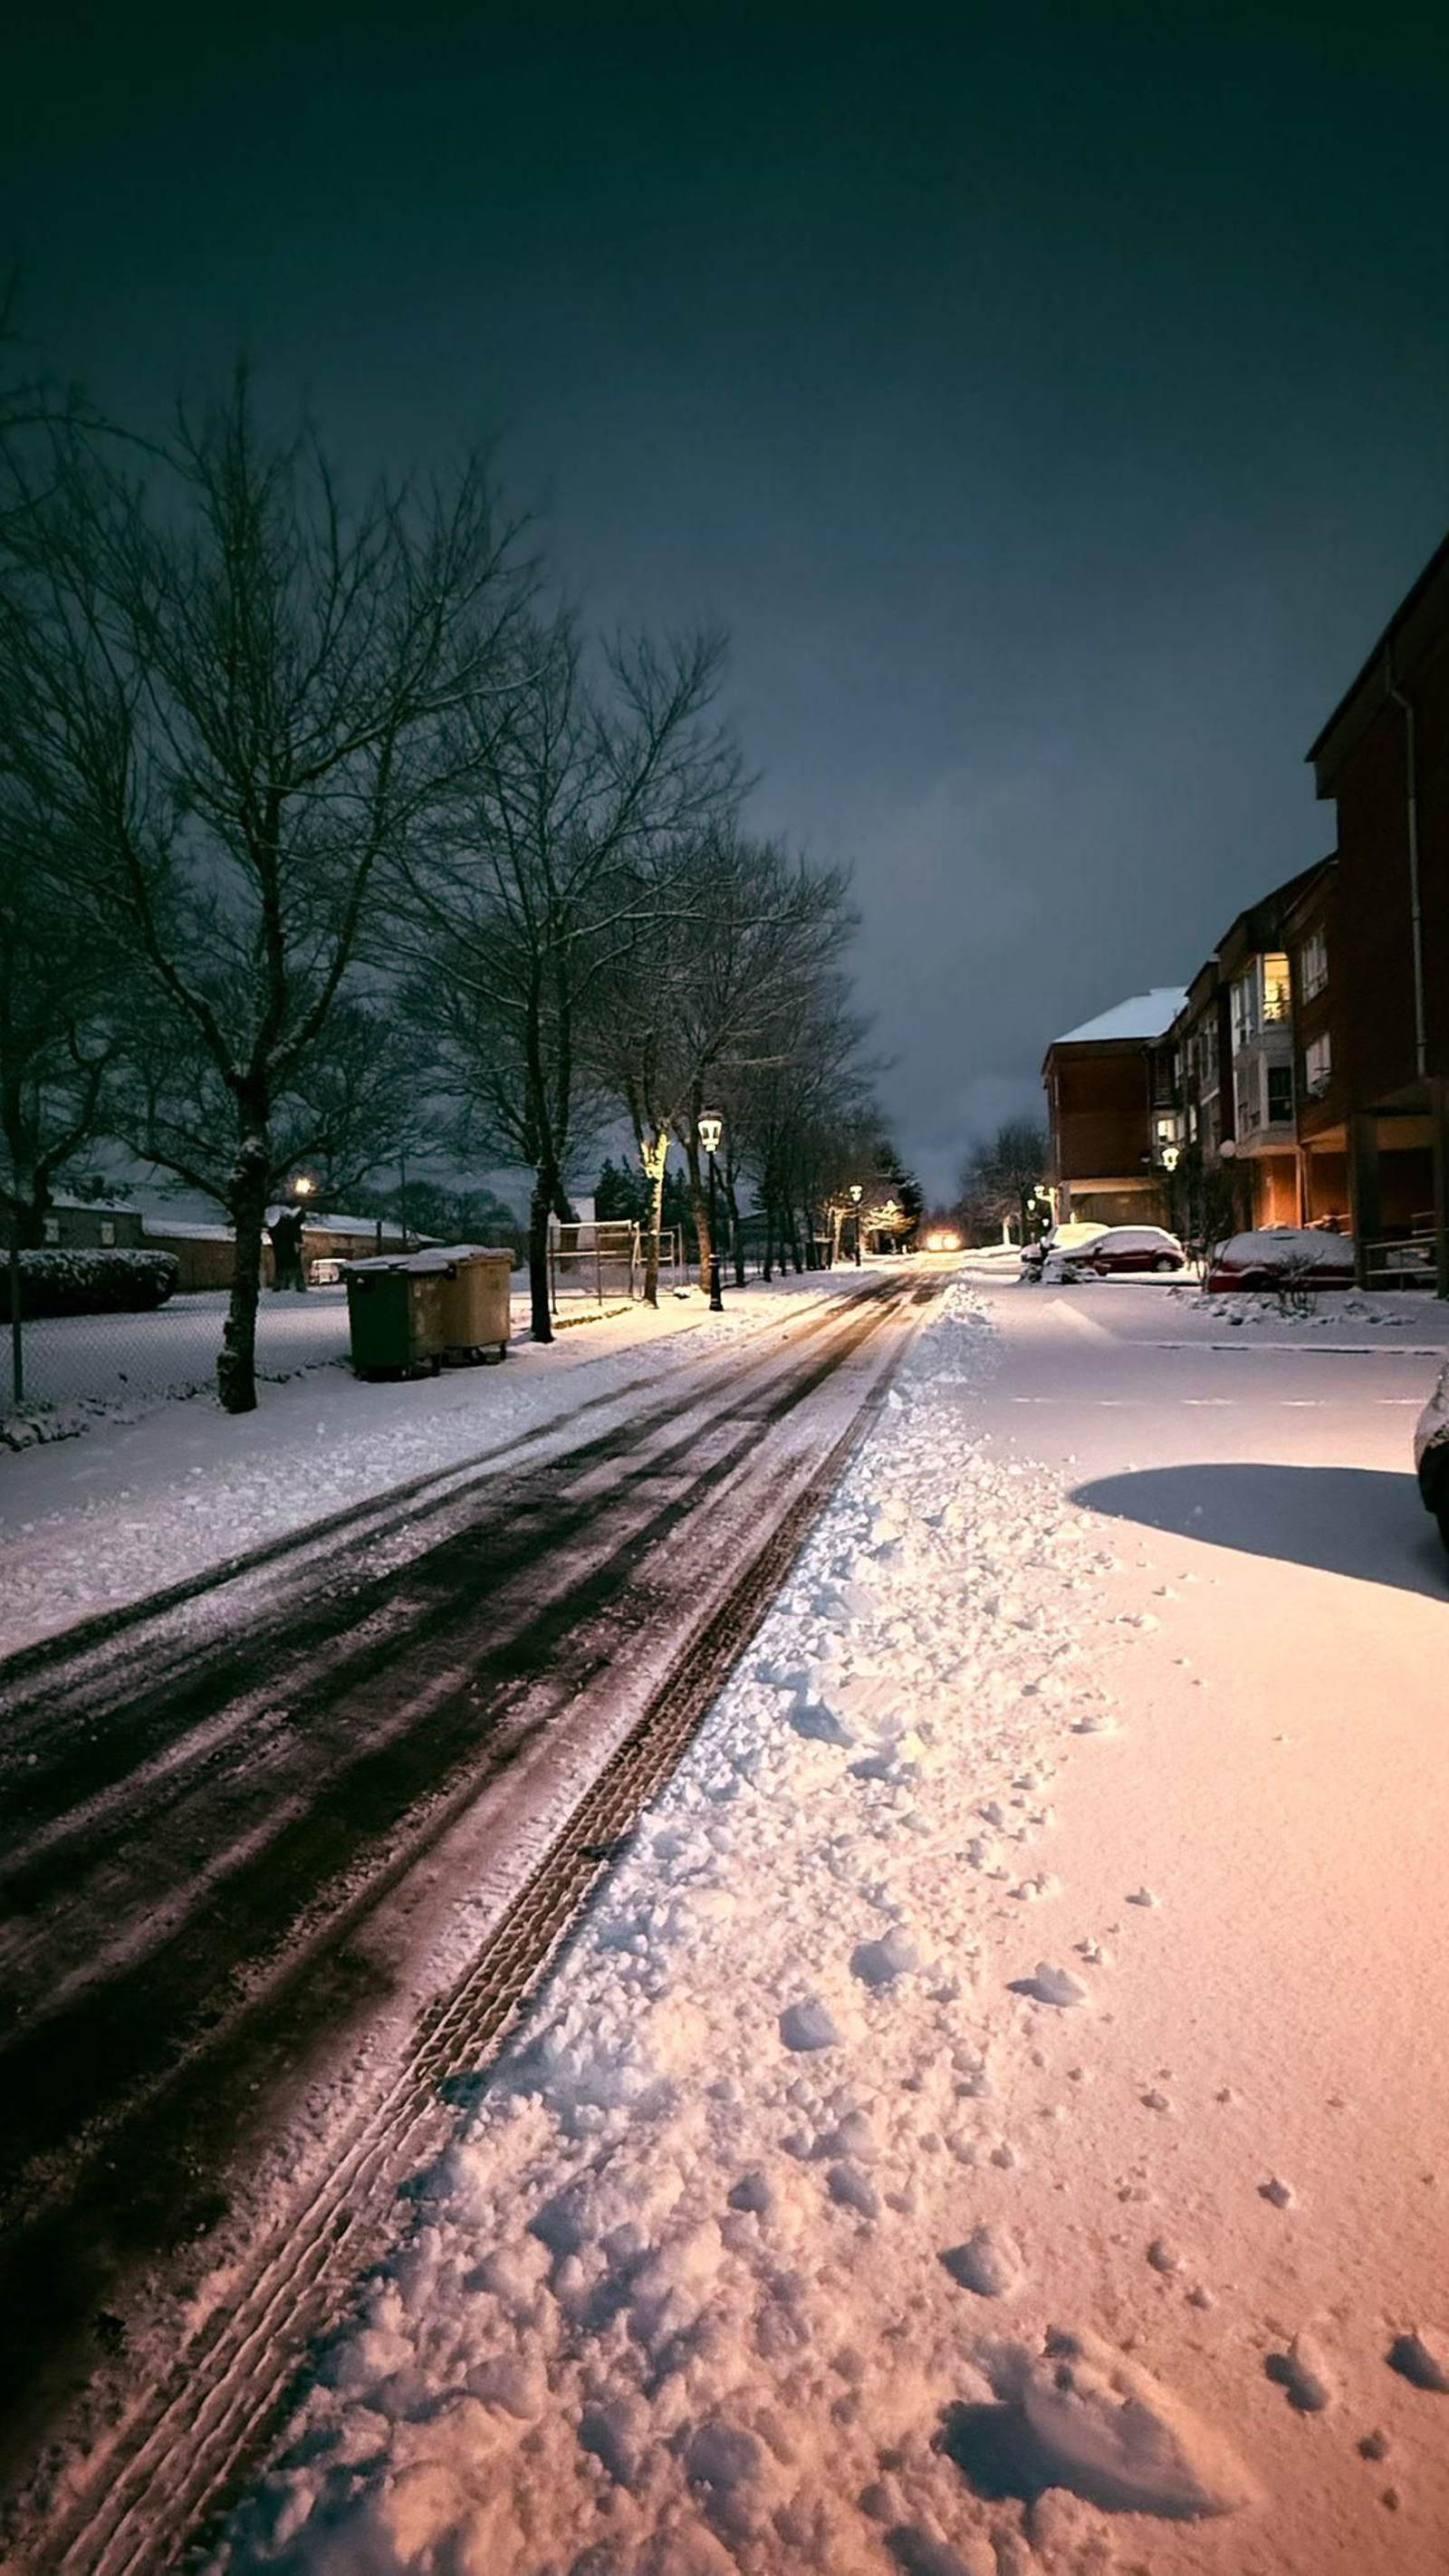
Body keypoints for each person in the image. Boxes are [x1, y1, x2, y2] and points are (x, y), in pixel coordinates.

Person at [267, 1201, 307, 1291]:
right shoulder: (290, 1218)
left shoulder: (278, 1215)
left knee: (283, 1263)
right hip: (289, 1242)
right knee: (292, 1263)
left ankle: (285, 1284)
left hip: (286, 1242)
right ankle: (293, 1284)